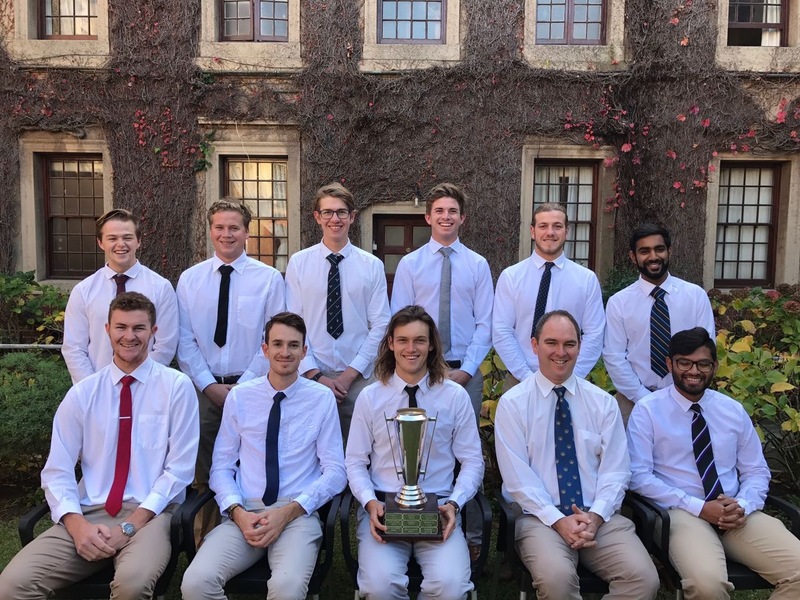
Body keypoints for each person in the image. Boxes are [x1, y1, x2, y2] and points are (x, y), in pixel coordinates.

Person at [0, 292, 198, 600]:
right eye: (121, 327)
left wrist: (129, 527)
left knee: (132, 585)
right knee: (12, 585)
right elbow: (57, 470)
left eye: (139, 328)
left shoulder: (176, 388)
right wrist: (77, 526)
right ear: (107, 330)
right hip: (89, 513)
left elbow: (180, 471)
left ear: (154, 333)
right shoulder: (83, 394)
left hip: (149, 515)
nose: (129, 336)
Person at [494, 310, 660, 600]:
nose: (561, 352)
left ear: (580, 347)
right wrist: (559, 520)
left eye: (569, 344)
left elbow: (616, 471)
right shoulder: (513, 404)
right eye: (551, 343)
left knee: (643, 580)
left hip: (600, 518)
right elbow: (518, 479)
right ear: (534, 346)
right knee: (557, 581)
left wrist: (595, 517)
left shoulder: (602, 403)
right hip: (540, 518)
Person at [181, 312, 346, 600]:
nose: (285, 352)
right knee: (196, 583)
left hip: (296, 513)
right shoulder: (240, 397)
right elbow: (221, 467)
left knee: (287, 588)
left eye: (294, 345)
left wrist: (289, 512)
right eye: (278, 344)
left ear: (304, 352)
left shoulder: (321, 399)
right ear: (265, 349)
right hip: (245, 513)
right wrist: (237, 511)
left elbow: (335, 471)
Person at [628, 327, 800, 600]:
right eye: (685, 362)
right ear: (670, 364)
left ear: (715, 366)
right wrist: (698, 507)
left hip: (735, 512)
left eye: (703, 363)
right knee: (707, 585)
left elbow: (756, 470)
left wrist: (743, 504)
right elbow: (638, 476)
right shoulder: (648, 411)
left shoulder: (731, 410)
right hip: (681, 512)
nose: (694, 371)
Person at [345, 305, 484, 600]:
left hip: (439, 510)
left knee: (451, 586)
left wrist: (455, 505)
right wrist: (370, 504)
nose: (412, 348)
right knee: (379, 587)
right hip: (383, 510)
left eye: (420, 340)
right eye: (403, 340)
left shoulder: (454, 396)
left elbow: (472, 461)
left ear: (431, 344)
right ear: (391, 344)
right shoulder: (369, 398)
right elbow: (355, 462)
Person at [390, 182, 492, 563]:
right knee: (420, 446)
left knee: (465, 451)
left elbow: (487, 322)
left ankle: (468, 529)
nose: (446, 217)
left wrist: (466, 371)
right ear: (427, 217)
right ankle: (412, 519)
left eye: (453, 211)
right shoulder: (411, 264)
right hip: (419, 368)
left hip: (465, 369)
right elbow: (399, 318)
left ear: (461, 217)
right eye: (439, 211)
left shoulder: (477, 265)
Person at [176, 199, 286, 539]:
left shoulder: (268, 279)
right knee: (206, 467)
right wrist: (209, 386)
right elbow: (184, 339)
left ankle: (261, 528)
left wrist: (244, 385)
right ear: (210, 231)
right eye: (220, 227)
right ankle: (207, 539)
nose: (227, 234)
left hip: (255, 387)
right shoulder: (190, 280)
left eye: (234, 227)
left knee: (254, 459)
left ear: (247, 233)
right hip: (205, 389)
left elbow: (274, 337)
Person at [285, 182, 390, 441]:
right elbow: (293, 324)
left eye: (342, 212)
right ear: (317, 217)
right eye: (328, 212)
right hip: (309, 375)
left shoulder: (372, 266)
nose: (335, 218)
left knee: (362, 448)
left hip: (360, 377)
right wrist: (314, 373)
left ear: (352, 217)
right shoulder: (299, 263)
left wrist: (350, 374)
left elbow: (380, 324)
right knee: (311, 446)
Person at [604, 223, 715, 425]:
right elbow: (614, 357)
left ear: (669, 252)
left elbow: (707, 351)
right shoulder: (619, 302)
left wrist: (680, 395)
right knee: (627, 455)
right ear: (633, 256)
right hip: (633, 400)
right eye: (644, 251)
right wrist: (644, 399)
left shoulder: (695, 296)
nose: (653, 256)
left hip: (688, 395)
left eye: (659, 249)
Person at [492, 203, 604, 385]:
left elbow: (595, 334)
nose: (550, 232)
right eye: (543, 226)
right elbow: (502, 331)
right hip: (520, 380)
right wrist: (528, 378)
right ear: (532, 231)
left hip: (571, 381)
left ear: (566, 231)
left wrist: (571, 377)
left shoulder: (586, 280)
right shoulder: (511, 277)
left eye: (557, 226)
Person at [62, 208, 178, 383]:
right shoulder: (83, 291)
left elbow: (165, 346)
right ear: (100, 243)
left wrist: (134, 382)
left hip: (145, 388)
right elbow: (74, 348)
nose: (120, 244)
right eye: (112, 238)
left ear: (138, 241)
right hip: (95, 390)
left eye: (127, 237)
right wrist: (93, 389)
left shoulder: (160, 288)